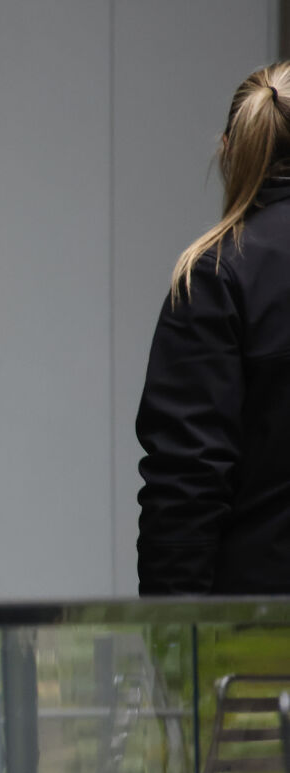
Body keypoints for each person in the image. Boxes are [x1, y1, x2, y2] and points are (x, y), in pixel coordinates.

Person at [137, 62, 290, 595]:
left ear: (230, 150)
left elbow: (186, 484)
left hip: (257, 637)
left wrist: (173, 641)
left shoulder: (219, 273)